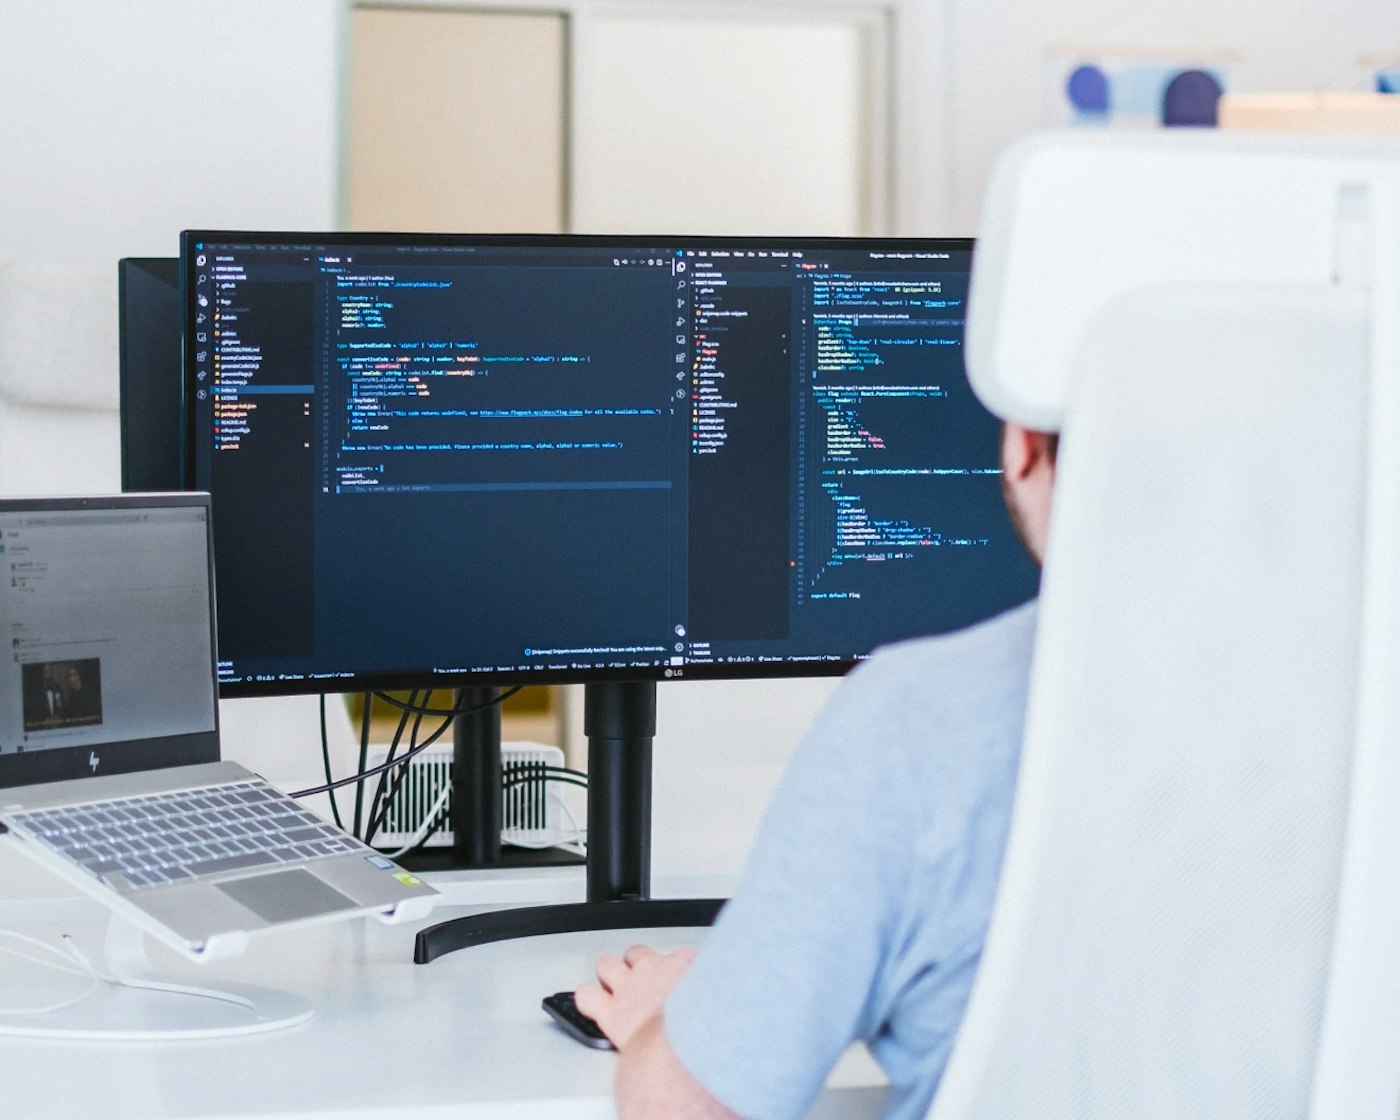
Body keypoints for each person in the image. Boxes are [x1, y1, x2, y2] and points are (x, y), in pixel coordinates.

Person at [575, 423, 1059, 1120]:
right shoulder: (1276, 692)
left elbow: (682, 1108)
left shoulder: (920, 718)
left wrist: (666, 1021)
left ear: (1021, 444)